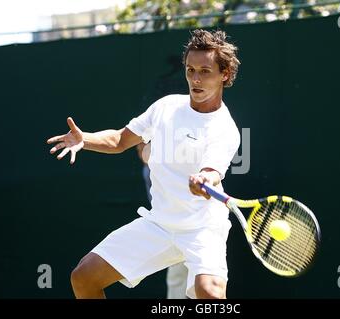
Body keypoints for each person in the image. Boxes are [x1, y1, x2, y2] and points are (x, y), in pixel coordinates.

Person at [47, 29, 241, 299]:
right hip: (159, 223)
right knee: (84, 277)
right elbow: (119, 140)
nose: (195, 79)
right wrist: (85, 139)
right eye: (190, 69)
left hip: (202, 229)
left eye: (205, 71)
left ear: (225, 74)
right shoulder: (166, 107)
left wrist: (205, 180)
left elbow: (212, 172)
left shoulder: (224, 128)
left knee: (209, 293)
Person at [136, 142, 188, 299]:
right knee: (177, 281)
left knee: (207, 287)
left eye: (146, 146)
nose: (142, 151)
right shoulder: (148, 171)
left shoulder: (174, 166)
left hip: (197, 230)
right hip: (174, 230)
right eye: (138, 149)